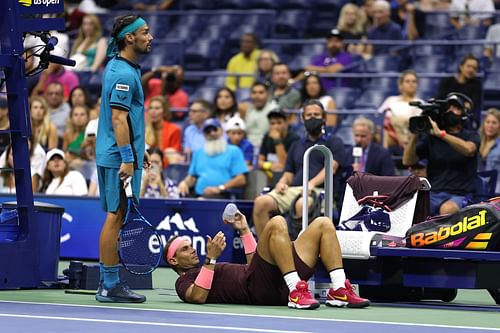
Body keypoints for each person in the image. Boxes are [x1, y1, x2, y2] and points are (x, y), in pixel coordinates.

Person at [165, 208, 370, 308]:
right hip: (259, 290)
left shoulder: (206, 269)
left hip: (274, 281)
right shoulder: (183, 281)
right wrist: (211, 259)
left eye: (190, 246)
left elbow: (255, 263)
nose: (192, 250)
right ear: (173, 261)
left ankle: (339, 289)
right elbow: (198, 297)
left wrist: (245, 231)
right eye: (184, 249)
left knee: (323, 224)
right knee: (277, 222)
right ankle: (296, 291)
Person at [95, 15, 153, 303]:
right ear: (129, 38)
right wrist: (128, 158)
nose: (150, 36)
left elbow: (127, 119)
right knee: (115, 217)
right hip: (118, 157)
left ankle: (110, 284)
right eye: (145, 32)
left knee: (115, 217)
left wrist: (141, 150)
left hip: (118, 154)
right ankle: (109, 285)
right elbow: (118, 119)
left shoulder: (122, 68)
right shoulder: (123, 74)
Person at [252, 100, 345, 237]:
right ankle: (265, 251)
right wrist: (282, 182)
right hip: (294, 189)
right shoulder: (296, 145)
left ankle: (299, 253)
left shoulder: (334, 142)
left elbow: (331, 168)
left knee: (302, 205)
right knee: (261, 202)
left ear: (324, 117)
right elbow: (289, 172)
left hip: (320, 191)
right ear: (303, 118)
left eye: (316, 114)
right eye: (309, 115)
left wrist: (311, 184)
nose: (312, 118)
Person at [403, 93, 480, 216]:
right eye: (448, 107)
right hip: (433, 193)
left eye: (456, 108)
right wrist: (415, 134)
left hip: (460, 194)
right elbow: (407, 161)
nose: (451, 111)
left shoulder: (470, 135)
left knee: (447, 210)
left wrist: (442, 135)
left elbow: (469, 150)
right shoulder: (432, 138)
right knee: (411, 209)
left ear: (464, 115)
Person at [178, 118, 248, 198]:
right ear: (204, 134)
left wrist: (220, 188)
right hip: (198, 194)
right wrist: (184, 183)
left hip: (222, 194)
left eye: (215, 129)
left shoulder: (234, 151)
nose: (212, 133)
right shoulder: (198, 153)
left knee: (201, 201)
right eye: (208, 131)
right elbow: (193, 177)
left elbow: (241, 179)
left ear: (221, 131)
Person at [378, 70, 423, 155]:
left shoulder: (419, 103)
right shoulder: (391, 100)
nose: (411, 84)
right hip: (389, 137)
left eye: (414, 81)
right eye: (407, 81)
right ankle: (384, 155)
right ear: (401, 85)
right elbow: (380, 118)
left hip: (408, 137)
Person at [435, 55, 482, 126]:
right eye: (468, 66)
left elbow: (471, 104)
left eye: (474, 68)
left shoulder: (477, 85)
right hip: (444, 117)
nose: (471, 70)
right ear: (461, 67)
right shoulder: (447, 81)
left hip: (464, 120)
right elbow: (439, 99)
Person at [258, 109, 300, 186]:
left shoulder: (294, 139)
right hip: (269, 173)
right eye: (272, 123)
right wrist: (269, 165)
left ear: (286, 123)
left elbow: (284, 164)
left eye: (279, 123)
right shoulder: (267, 137)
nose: (275, 126)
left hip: (288, 177)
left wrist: (277, 141)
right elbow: (260, 162)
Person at [239, 82, 278, 148]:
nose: (257, 96)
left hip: (266, 148)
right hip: (247, 147)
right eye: (254, 93)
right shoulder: (247, 110)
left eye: (261, 92)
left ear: (267, 94)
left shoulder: (274, 109)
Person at [145, 96, 182, 165]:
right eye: (151, 108)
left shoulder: (174, 129)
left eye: (157, 108)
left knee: (170, 151)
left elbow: (173, 156)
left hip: (166, 166)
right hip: (147, 165)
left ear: (164, 111)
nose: (153, 111)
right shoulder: (143, 129)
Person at [478, 108, 500, 192]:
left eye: (494, 123)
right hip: (478, 186)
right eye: (488, 122)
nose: (490, 125)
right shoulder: (477, 141)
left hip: (496, 188)